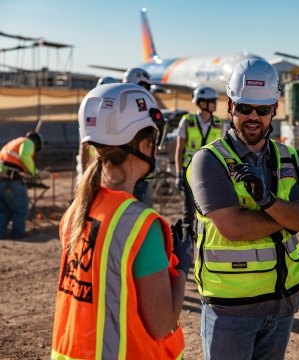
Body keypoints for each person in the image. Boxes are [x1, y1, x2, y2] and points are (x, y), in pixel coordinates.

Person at [51, 83, 193, 359]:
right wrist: (182, 268)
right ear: (143, 145)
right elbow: (162, 324)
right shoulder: (140, 225)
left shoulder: (77, 211)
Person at [187, 59, 299, 360]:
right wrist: (286, 217)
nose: (253, 117)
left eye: (262, 109)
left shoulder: (290, 158)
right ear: (230, 106)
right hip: (230, 307)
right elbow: (233, 228)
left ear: (275, 109)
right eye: (245, 108)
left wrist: (268, 202)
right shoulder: (210, 161)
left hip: (281, 302)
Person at [175, 86, 226, 239]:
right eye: (212, 101)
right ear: (202, 103)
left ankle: (204, 243)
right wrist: (178, 174)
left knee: (209, 210)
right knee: (189, 212)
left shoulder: (219, 123)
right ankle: (187, 249)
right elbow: (179, 149)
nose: (215, 104)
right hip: (189, 173)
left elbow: (223, 150)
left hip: (210, 174)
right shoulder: (187, 121)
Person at [0, 131, 45, 239]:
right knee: (21, 209)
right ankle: (18, 236)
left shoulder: (13, 143)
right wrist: (35, 172)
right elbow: (25, 156)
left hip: (2, 179)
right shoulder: (28, 142)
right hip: (12, 181)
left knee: (5, 210)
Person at [122, 67, 153, 203]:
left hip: (140, 169)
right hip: (124, 168)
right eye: (143, 86)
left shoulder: (145, 108)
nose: (145, 91)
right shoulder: (124, 107)